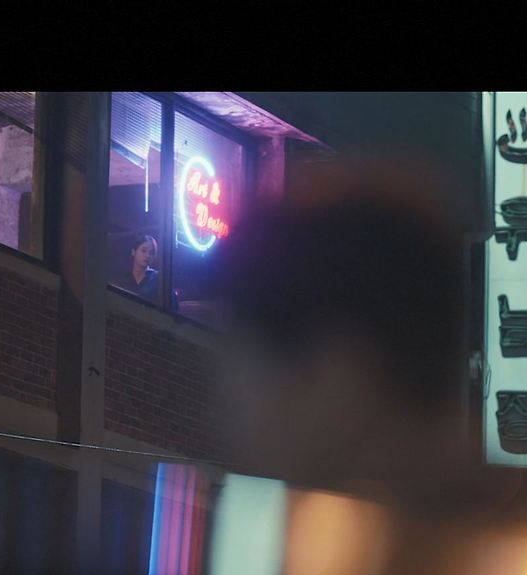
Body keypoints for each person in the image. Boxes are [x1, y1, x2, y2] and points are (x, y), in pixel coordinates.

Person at [214, 160, 504, 516]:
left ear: (337, 371)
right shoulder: (496, 523)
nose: (232, 397)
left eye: (250, 360)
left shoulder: (394, 540)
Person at [126, 234, 159, 299]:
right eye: (143, 251)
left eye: (151, 252)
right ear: (133, 252)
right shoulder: (125, 279)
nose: (148, 255)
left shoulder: (158, 278)